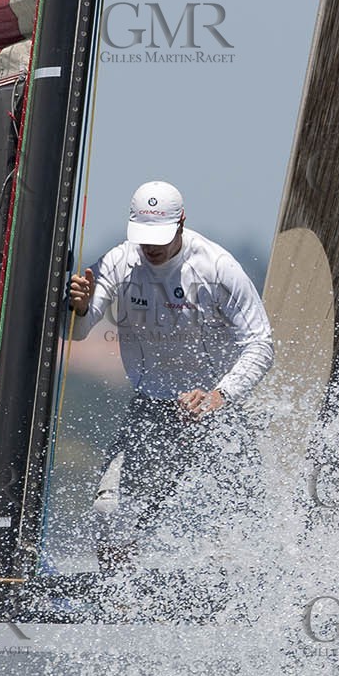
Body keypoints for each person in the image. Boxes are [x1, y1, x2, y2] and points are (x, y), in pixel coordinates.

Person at [66, 181, 274, 570]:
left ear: (181, 222)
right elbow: (77, 332)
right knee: (109, 512)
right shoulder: (119, 262)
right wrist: (77, 309)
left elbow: (261, 344)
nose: (151, 246)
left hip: (216, 413)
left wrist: (218, 396)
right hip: (151, 407)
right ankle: (117, 588)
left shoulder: (216, 267)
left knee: (237, 529)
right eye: (144, 235)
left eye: (160, 235)